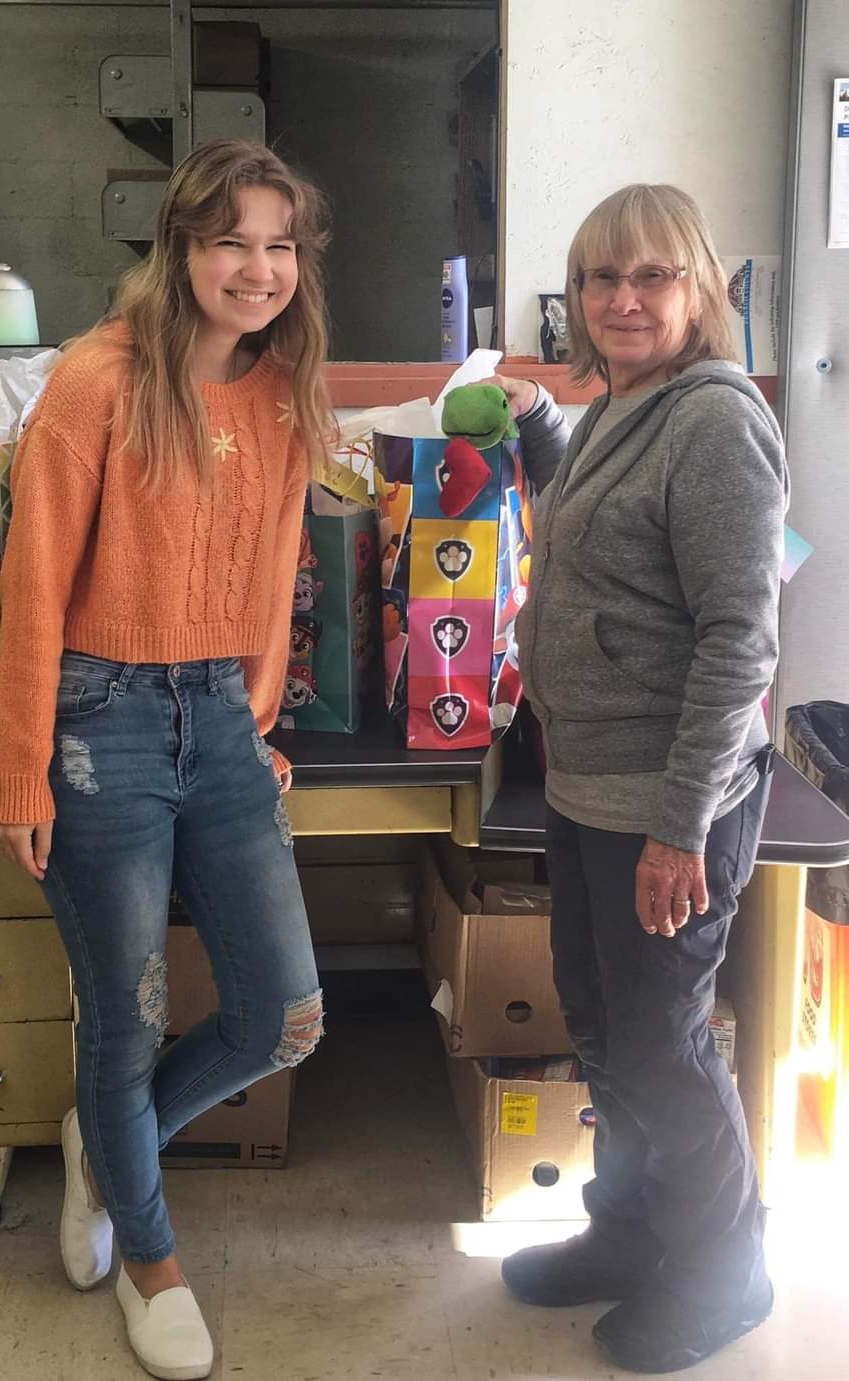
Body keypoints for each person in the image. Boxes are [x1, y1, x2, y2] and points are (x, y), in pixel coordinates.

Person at [0, 139, 331, 1381]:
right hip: (97, 724)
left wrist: (250, 721)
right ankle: (150, 1257)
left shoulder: (281, 391)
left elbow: (271, 570)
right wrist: (21, 769)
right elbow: (33, 584)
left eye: (279, 244)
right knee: (126, 1020)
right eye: (231, 239)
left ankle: (104, 1142)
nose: (257, 267)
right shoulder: (97, 381)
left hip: (220, 721)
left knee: (283, 1018)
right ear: (180, 247)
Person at [491, 184, 788, 1374]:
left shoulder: (713, 419)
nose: (622, 299)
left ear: (698, 288)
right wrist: (536, 429)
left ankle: (726, 1272)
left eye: (651, 276)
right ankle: (629, 1232)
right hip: (588, 783)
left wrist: (680, 828)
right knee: (605, 1028)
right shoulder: (624, 402)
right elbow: (602, 525)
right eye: (600, 278)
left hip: (670, 801)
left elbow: (740, 642)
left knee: (665, 1048)